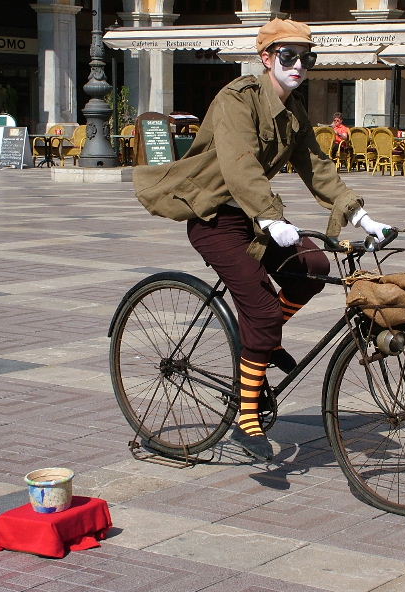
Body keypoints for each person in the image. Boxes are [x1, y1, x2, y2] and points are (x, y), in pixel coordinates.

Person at [131, 18, 390, 462]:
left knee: (314, 268)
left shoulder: (294, 110)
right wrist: (271, 218)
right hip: (216, 218)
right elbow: (240, 164)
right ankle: (245, 411)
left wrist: (361, 216)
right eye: (288, 56)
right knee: (264, 310)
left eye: (307, 58)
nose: (299, 65)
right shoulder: (238, 98)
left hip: (255, 216)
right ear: (267, 58)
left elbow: (317, 166)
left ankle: (263, 340)